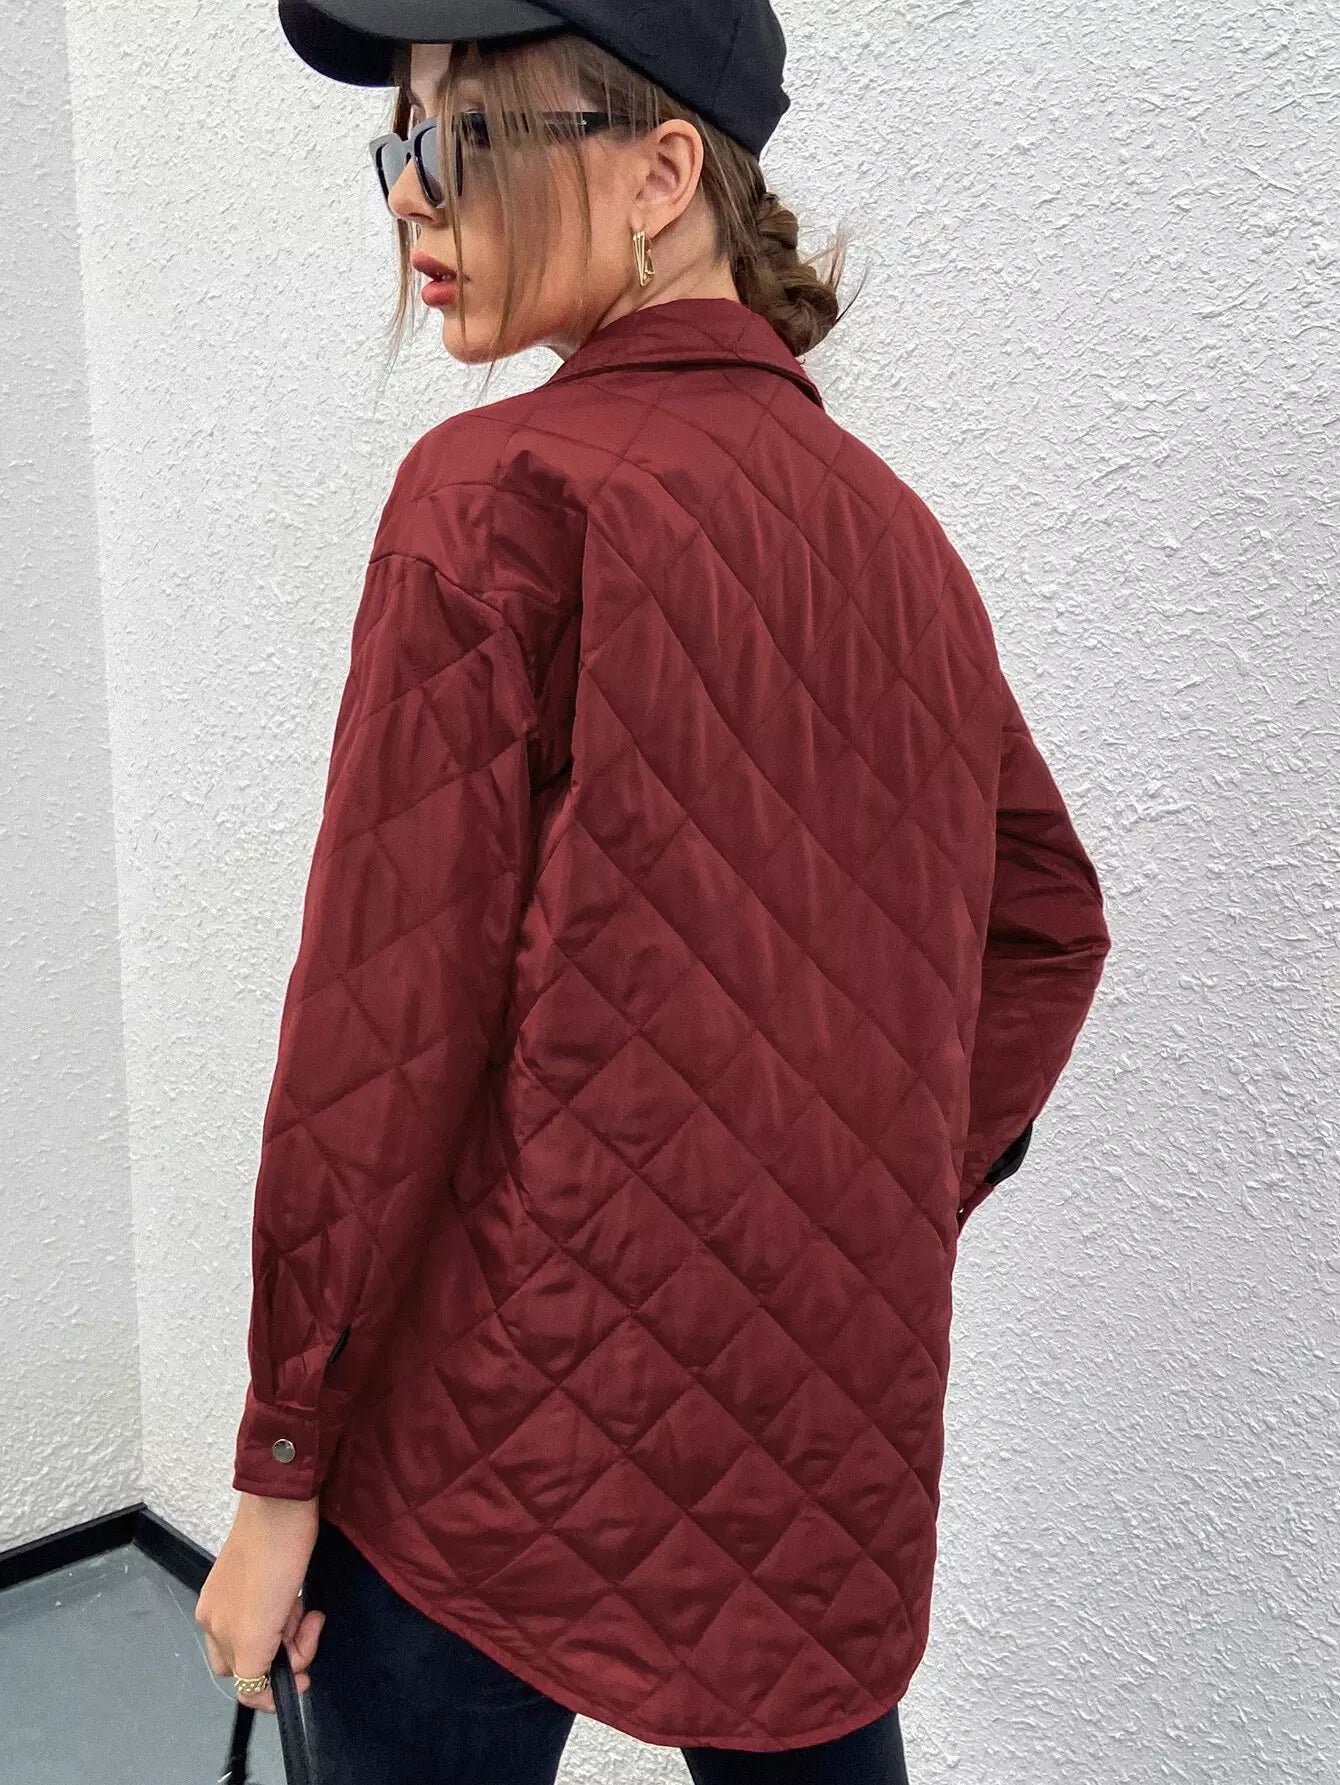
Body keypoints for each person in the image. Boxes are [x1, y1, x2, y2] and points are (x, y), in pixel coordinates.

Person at [195, 4, 1112, 1781]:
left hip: (491, 1449)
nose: (407, 195)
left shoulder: (494, 499)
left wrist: (279, 1468)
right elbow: (1046, 921)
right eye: (397, 147)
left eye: (458, 137)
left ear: (662, 172)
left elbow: (376, 1048)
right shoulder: (900, 541)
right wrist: (850, 1200)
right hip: (820, 1435)